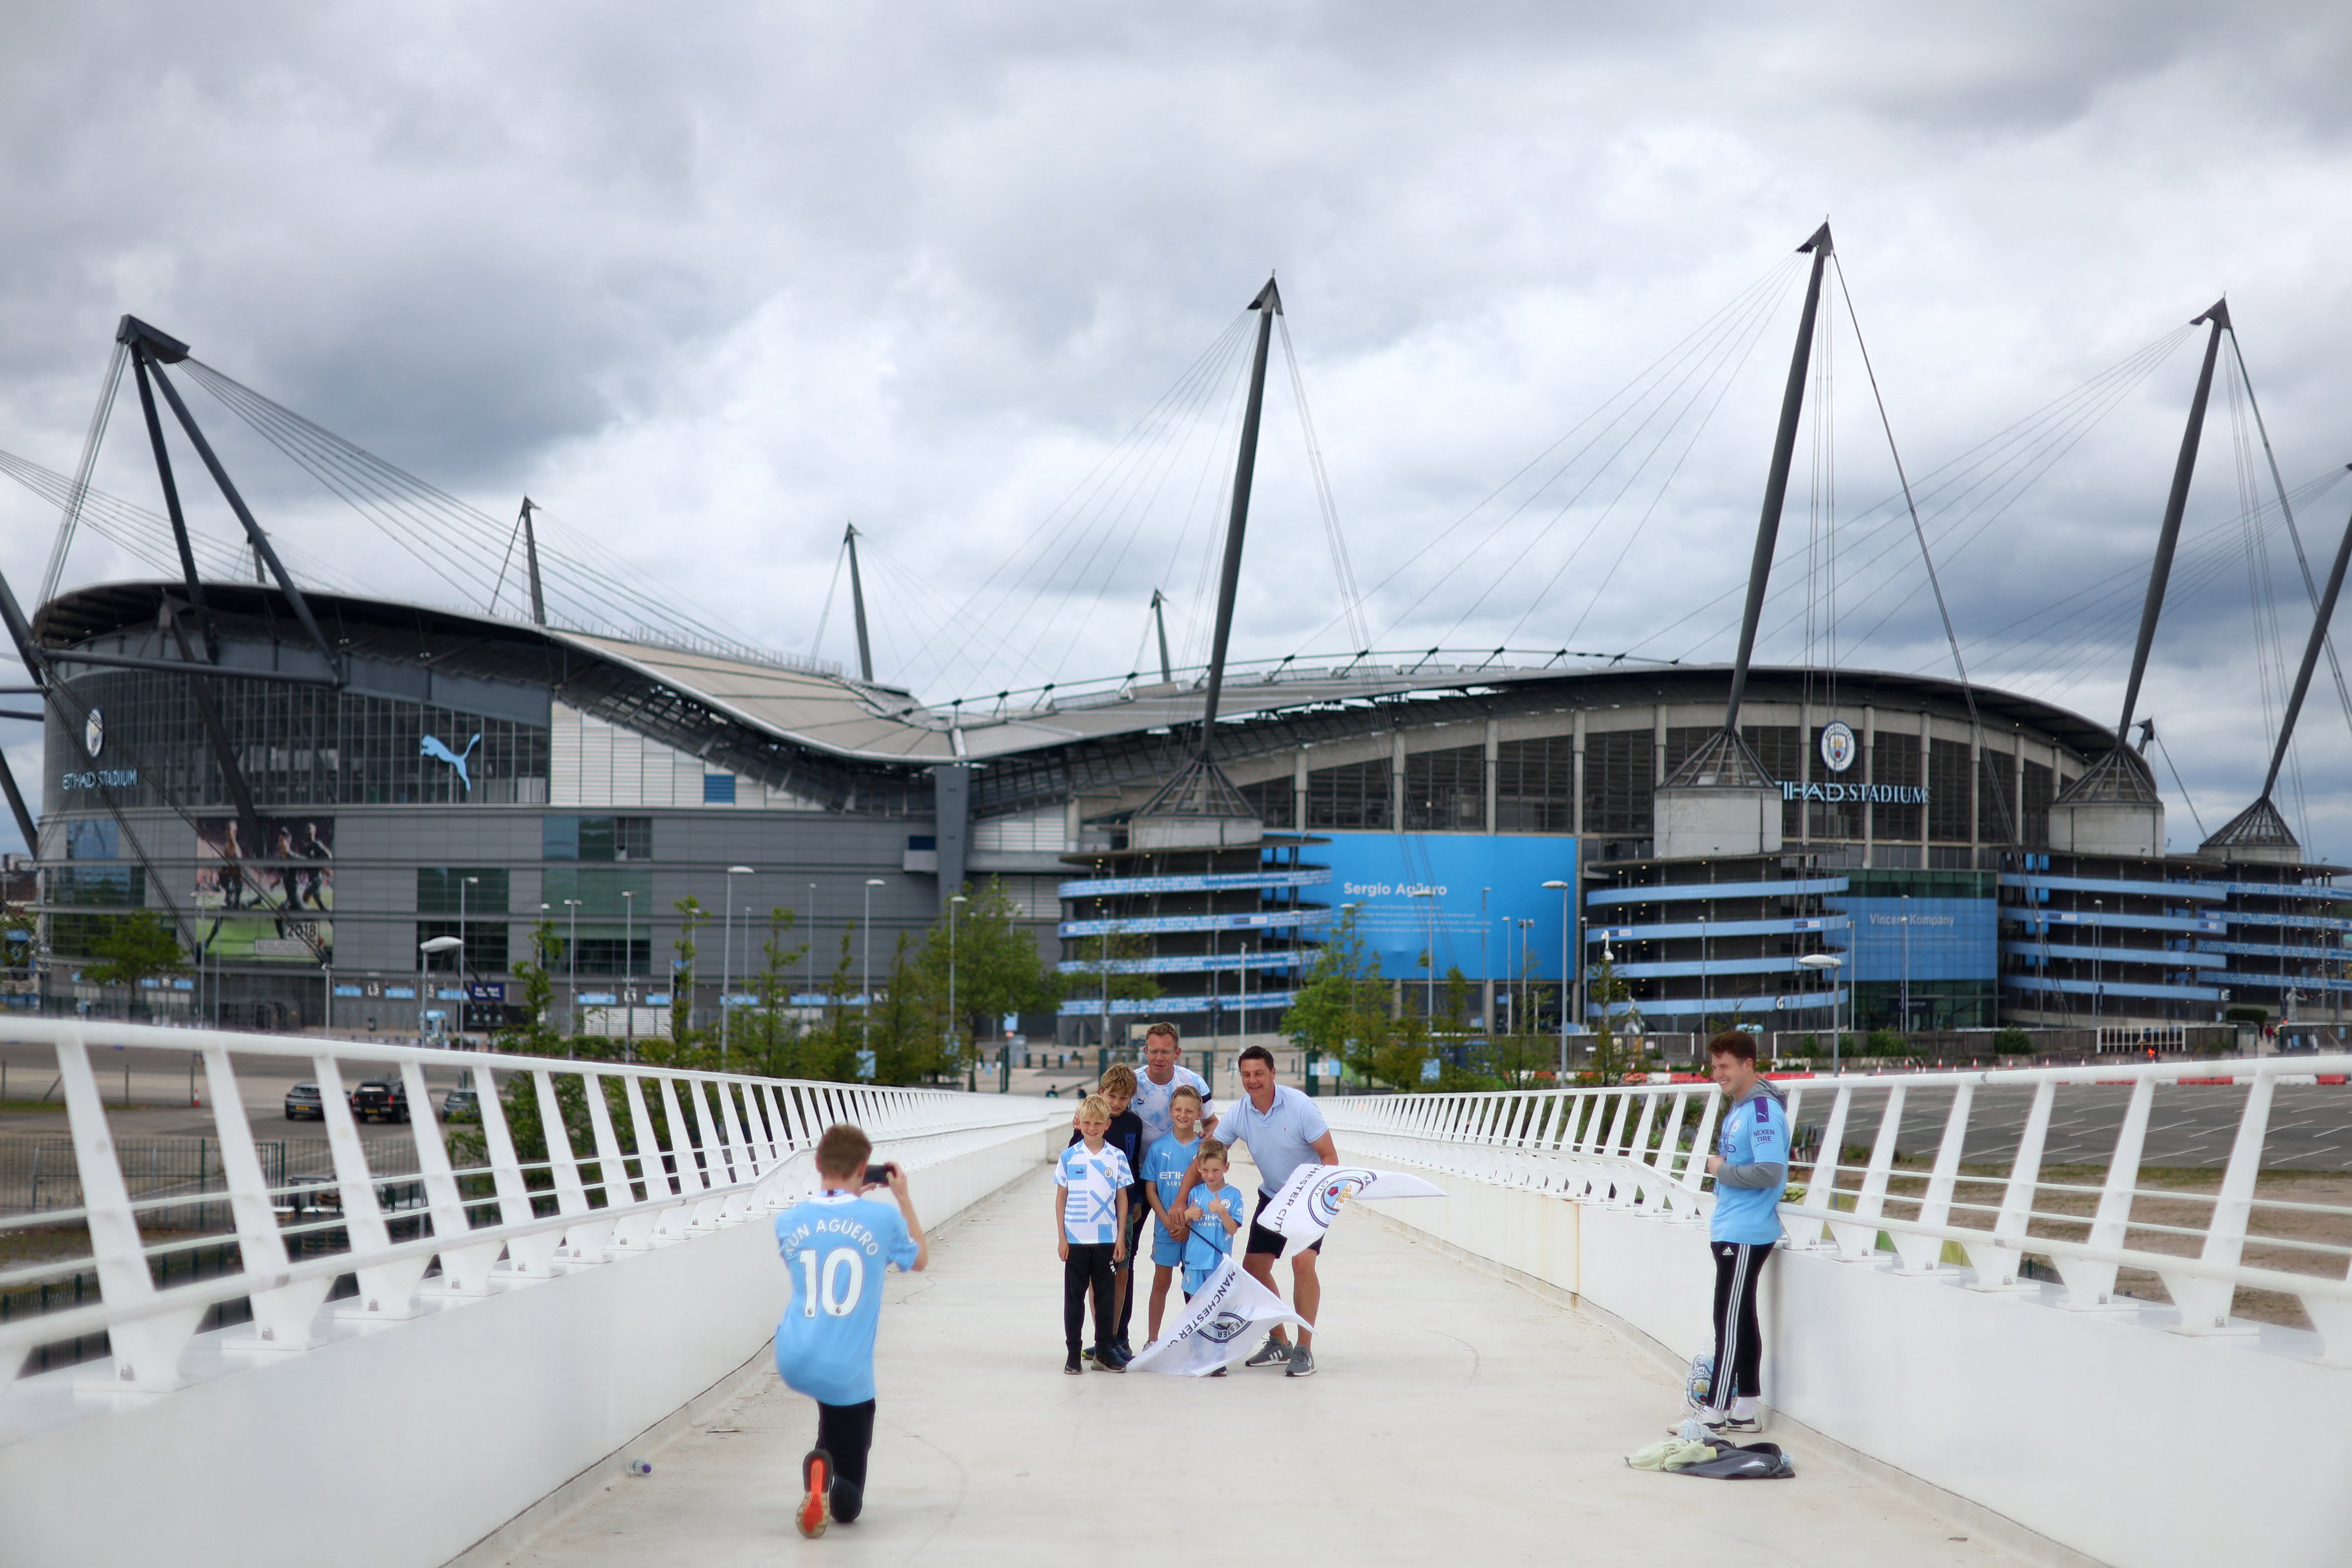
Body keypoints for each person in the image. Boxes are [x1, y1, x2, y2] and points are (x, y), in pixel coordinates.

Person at [773, 1122, 927, 1539]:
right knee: (850, 1505)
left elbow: (830, 1234)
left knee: (832, 1412)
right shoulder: (881, 1217)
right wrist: (902, 1198)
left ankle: (823, 1464)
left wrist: (850, 1198)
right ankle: (829, 1482)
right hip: (845, 1367)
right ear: (865, 1167)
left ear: (819, 1164)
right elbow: (919, 1259)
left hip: (793, 1355)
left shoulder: (789, 1221)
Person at [1179, 1043, 1337, 1378]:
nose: (1253, 1081)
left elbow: (1330, 1158)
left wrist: (1323, 1201)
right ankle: (1280, 1341)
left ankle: (1305, 1348)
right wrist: (1182, 1200)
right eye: (1247, 1075)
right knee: (1253, 1269)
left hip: (1308, 1197)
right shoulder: (1241, 1112)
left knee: (1302, 1262)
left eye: (1259, 1074)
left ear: (1273, 1073)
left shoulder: (1300, 1107)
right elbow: (1209, 1153)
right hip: (1273, 1198)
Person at [1682, 1029, 1789, 1437]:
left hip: (1745, 1231)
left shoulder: (1763, 1112)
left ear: (1748, 1064)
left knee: (1726, 1319)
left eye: (1724, 1066)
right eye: (1714, 1066)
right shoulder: (1741, 1107)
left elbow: (1770, 1172)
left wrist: (1719, 1170)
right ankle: (1745, 1408)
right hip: (1732, 1226)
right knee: (1740, 1317)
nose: (1717, 1074)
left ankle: (1714, 1412)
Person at [1067, 1063, 1148, 1361]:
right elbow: (1072, 1164)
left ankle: (1115, 1338)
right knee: (1095, 1278)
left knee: (1122, 1270)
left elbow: (1135, 1165)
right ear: (1101, 1093)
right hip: (1092, 1214)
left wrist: (1137, 1199)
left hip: (1123, 1205)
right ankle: (1103, 1339)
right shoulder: (1086, 1123)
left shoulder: (1134, 1125)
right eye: (1112, 1096)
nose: (1116, 1103)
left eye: (1123, 1099)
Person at [1055, 1093, 1132, 1375]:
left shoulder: (1117, 1157)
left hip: (1105, 1240)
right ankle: (1073, 1354)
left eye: (1097, 1123)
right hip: (1076, 1239)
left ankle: (1104, 1351)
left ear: (1107, 1125)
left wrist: (1121, 1237)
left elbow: (1122, 1199)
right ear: (1079, 1123)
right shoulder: (1070, 1156)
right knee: (1074, 1300)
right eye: (1086, 1122)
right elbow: (1061, 1198)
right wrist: (1063, 1238)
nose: (1091, 1128)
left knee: (1105, 1299)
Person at [1138, 1084, 1205, 1345]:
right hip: (1166, 1228)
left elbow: (1210, 1189)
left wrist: (1188, 1223)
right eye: (1178, 1109)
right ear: (1170, 1111)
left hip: (1196, 1230)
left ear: (1199, 1114)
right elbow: (1151, 1189)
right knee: (1161, 1283)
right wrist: (1167, 1221)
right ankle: (1152, 1340)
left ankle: (1200, 1341)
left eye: (1190, 1111)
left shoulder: (1204, 1147)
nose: (1183, 1115)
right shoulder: (1158, 1148)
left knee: (1196, 1286)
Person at [1130, 1021, 1216, 1142]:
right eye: (1154, 1051)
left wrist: (1208, 1137)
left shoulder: (1195, 1083)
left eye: (1166, 1052)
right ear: (1146, 1053)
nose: (1159, 1058)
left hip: (1182, 1161)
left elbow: (1211, 1121)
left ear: (1177, 1053)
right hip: (1138, 1161)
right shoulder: (1130, 1083)